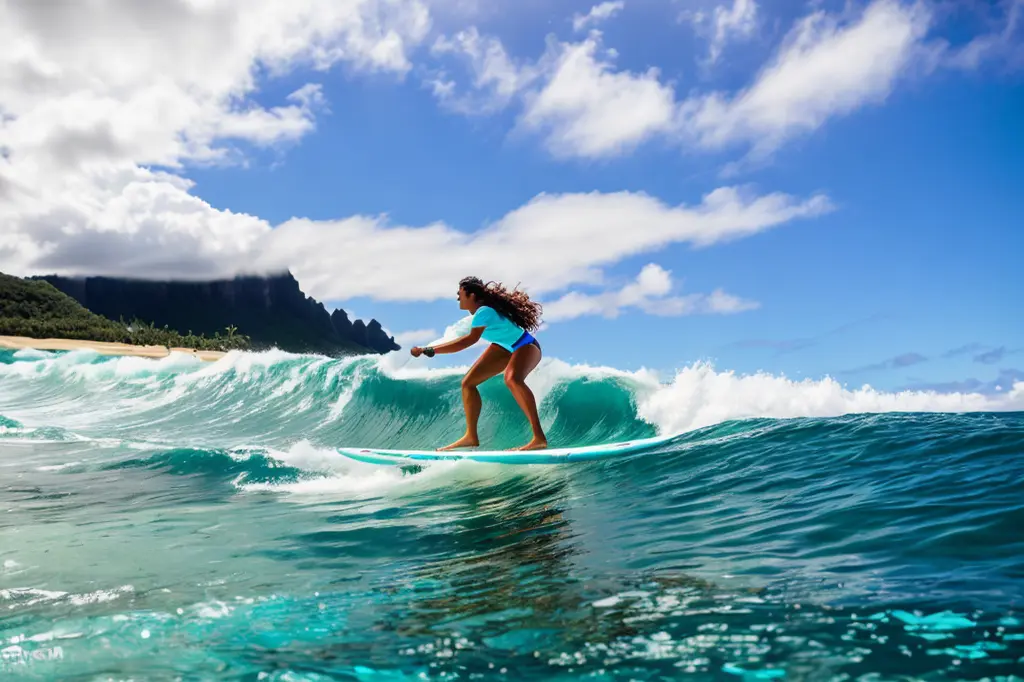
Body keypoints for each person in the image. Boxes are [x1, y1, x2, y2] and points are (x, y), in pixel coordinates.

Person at [410, 276, 548, 451]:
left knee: (512, 379)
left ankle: (538, 438)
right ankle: (471, 436)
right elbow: (460, 338)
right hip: (504, 347)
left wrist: (429, 350)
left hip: (525, 345)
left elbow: (468, 341)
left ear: (472, 295)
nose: (458, 298)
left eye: (460, 293)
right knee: (468, 383)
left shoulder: (484, 312)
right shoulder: (478, 316)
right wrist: (427, 349)